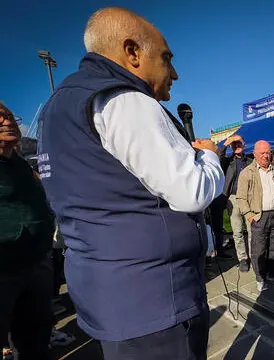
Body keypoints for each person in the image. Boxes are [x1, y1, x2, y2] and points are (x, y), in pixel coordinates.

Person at [37, 8, 225, 359]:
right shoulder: (124, 99)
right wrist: (211, 156)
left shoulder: (58, 107)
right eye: (167, 58)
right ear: (132, 52)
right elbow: (192, 191)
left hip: (111, 297)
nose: (175, 73)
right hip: (155, 302)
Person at [1, 103, 55, 360]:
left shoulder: (21, 163)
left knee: (36, 338)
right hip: (4, 270)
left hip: (36, 263)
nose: (8, 122)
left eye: (10, 116)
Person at [236, 141, 274, 292]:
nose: (266, 155)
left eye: (268, 152)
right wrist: (250, 216)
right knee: (259, 249)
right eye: (262, 153)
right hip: (259, 216)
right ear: (255, 154)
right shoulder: (247, 172)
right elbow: (240, 198)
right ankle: (260, 278)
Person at [217, 134, 253, 271]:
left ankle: (252, 256)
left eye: (239, 143)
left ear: (244, 144)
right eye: (234, 144)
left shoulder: (250, 161)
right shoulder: (228, 161)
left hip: (249, 198)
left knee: (251, 230)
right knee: (237, 230)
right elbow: (219, 156)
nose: (237, 145)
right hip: (233, 198)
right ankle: (243, 258)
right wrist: (227, 142)